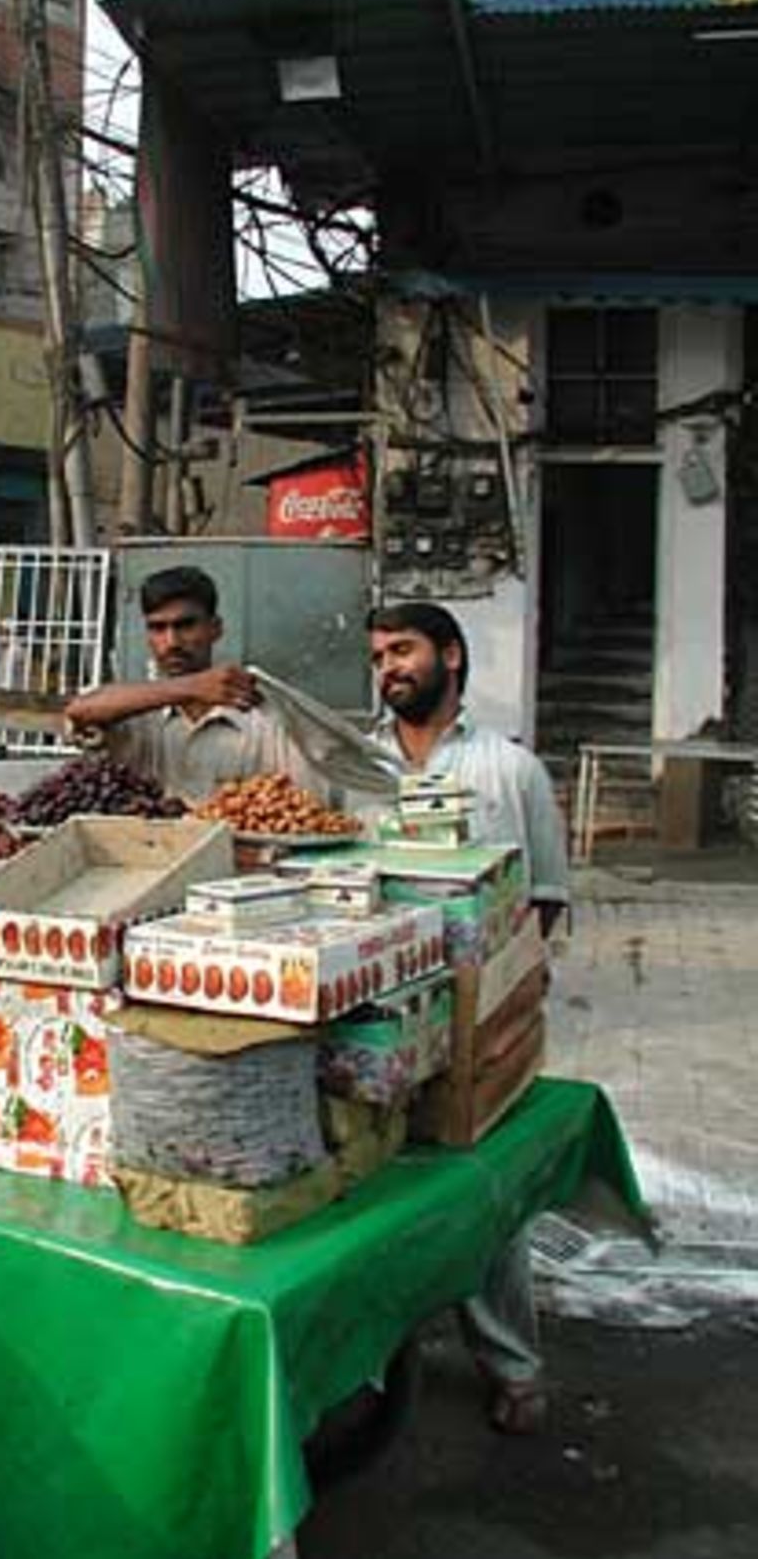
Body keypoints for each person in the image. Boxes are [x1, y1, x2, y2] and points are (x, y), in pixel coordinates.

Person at [367, 600, 569, 1436]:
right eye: (379, 655)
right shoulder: (356, 766)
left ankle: (513, 1367)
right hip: (375, 1018)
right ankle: (372, 1363)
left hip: (475, 1023)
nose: (389, 668)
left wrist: (497, 1003)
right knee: (376, 1190)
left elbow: (544, 900)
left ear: (450, 656)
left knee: (483, 1201)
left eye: (404, 650)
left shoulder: (509, 769)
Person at [64, 565, 327, 802]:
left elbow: (305, 810)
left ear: (215, 628)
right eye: (158, 628)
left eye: (186, 625)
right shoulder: (135, 715)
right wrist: (191, 687)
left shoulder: (263, 718)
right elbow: (81, 710)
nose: (172, 642)